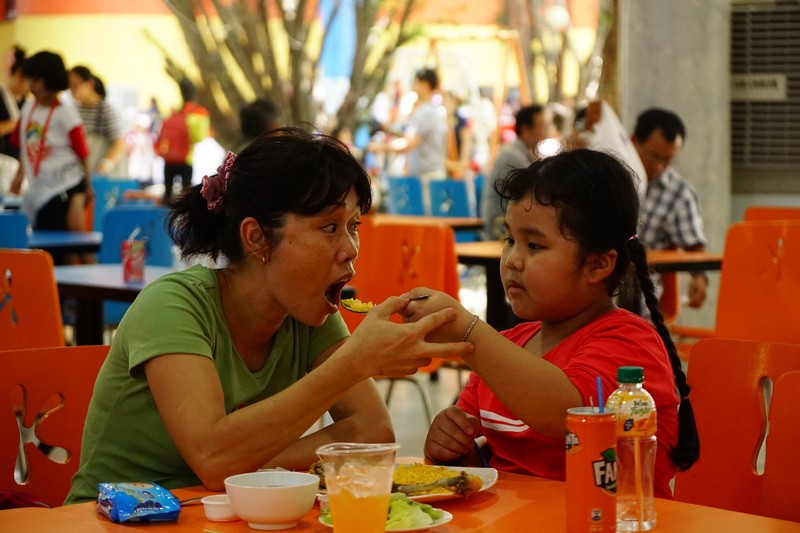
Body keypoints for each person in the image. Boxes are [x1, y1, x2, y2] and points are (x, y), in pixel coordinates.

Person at [65, 127, 473, 504]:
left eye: (354, 226)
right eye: (329, 227)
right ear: (257, 237)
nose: (350, 248)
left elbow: (372, 433)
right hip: (113, 520)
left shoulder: (307, 310)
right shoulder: (172, 307)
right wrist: (354, 363)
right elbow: (214, 456)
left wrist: (246, 463)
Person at [402, 149, 699, 499]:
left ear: (597, 265)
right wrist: (450, 448)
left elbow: (565, 414)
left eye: (535, 245)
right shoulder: (508, 347)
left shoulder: (631, 343)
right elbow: (482, 464)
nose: (513, 260)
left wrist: (468, 329)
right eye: (509, 240)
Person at [9, 51, 91, 258]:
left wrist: (88, 186)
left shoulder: (66, 113)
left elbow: (82, 153)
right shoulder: (28, 108)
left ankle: (86, 279)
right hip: (41, 187)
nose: (32, 86)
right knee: (49, 243)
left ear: (51, 81)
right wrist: (19, 176)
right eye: (30, 80)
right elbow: (24, 146)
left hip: (68, 182)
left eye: (37, 80)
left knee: (73, 237)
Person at [632, 108, 708, 308]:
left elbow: (693, 245)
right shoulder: (612, 177)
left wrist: (699, 277)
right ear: (633, 141)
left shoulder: (679, 194)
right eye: (653, 156)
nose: (659, 166)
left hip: (642, 296)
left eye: (667, 160)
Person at [481, 105, 556, 241]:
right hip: (500, 229)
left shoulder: (527, 154)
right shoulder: (512, 155)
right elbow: (538, 192)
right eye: (542, 126)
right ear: (525, 129)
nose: (547, 131)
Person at [388, 68, 448, 214]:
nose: (413, 86)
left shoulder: (426, 111)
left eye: (416, 82)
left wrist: (383, 147)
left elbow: (410, 143)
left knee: (428, 220)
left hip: (428, 176)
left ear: (425, 84)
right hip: (423, 175)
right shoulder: (427, 110)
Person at [68, 65, 128, 178]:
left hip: (103, 175)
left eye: (75, 86)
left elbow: (119, 143)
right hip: (81, 173)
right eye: (69, 86)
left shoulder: (106, 109)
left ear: (89, 84)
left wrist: (104, 167)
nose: (71, 90)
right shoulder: (73, 110)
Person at [157, 78, 210, 202]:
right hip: (186, 159)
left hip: (169, 158)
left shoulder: (172, 112)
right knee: (186, 196)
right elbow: (200, 137)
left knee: (167, 194)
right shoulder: (199, 113)